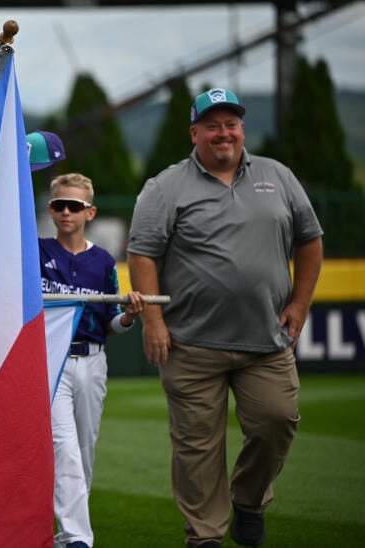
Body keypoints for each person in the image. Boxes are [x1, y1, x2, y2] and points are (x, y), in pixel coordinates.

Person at [127, 88, 323, 548]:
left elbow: (309, 240)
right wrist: (154, 322)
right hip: (190, 343)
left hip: (267, 340)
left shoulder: (278, 176)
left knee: (278, 421)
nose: (223, 133)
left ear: (241, 128)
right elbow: (142, 254)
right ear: (194, 132)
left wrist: (300, 303)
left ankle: (249, 500)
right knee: (197, 450)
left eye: (231, 123)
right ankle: (205, 536)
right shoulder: (165, 186)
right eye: (212, 125)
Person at [39, 172, 144, 548]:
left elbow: (110, 324)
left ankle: (66, 536)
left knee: (83, 453)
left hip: (93, 361)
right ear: (50, 210)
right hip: (52, 365)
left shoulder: (102, 262)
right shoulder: (36, 252)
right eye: (58, 205)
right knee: (64, 448)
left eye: (74, 206)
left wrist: (130, 316)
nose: (66, 212)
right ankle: (78, 538)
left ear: (90, 212)